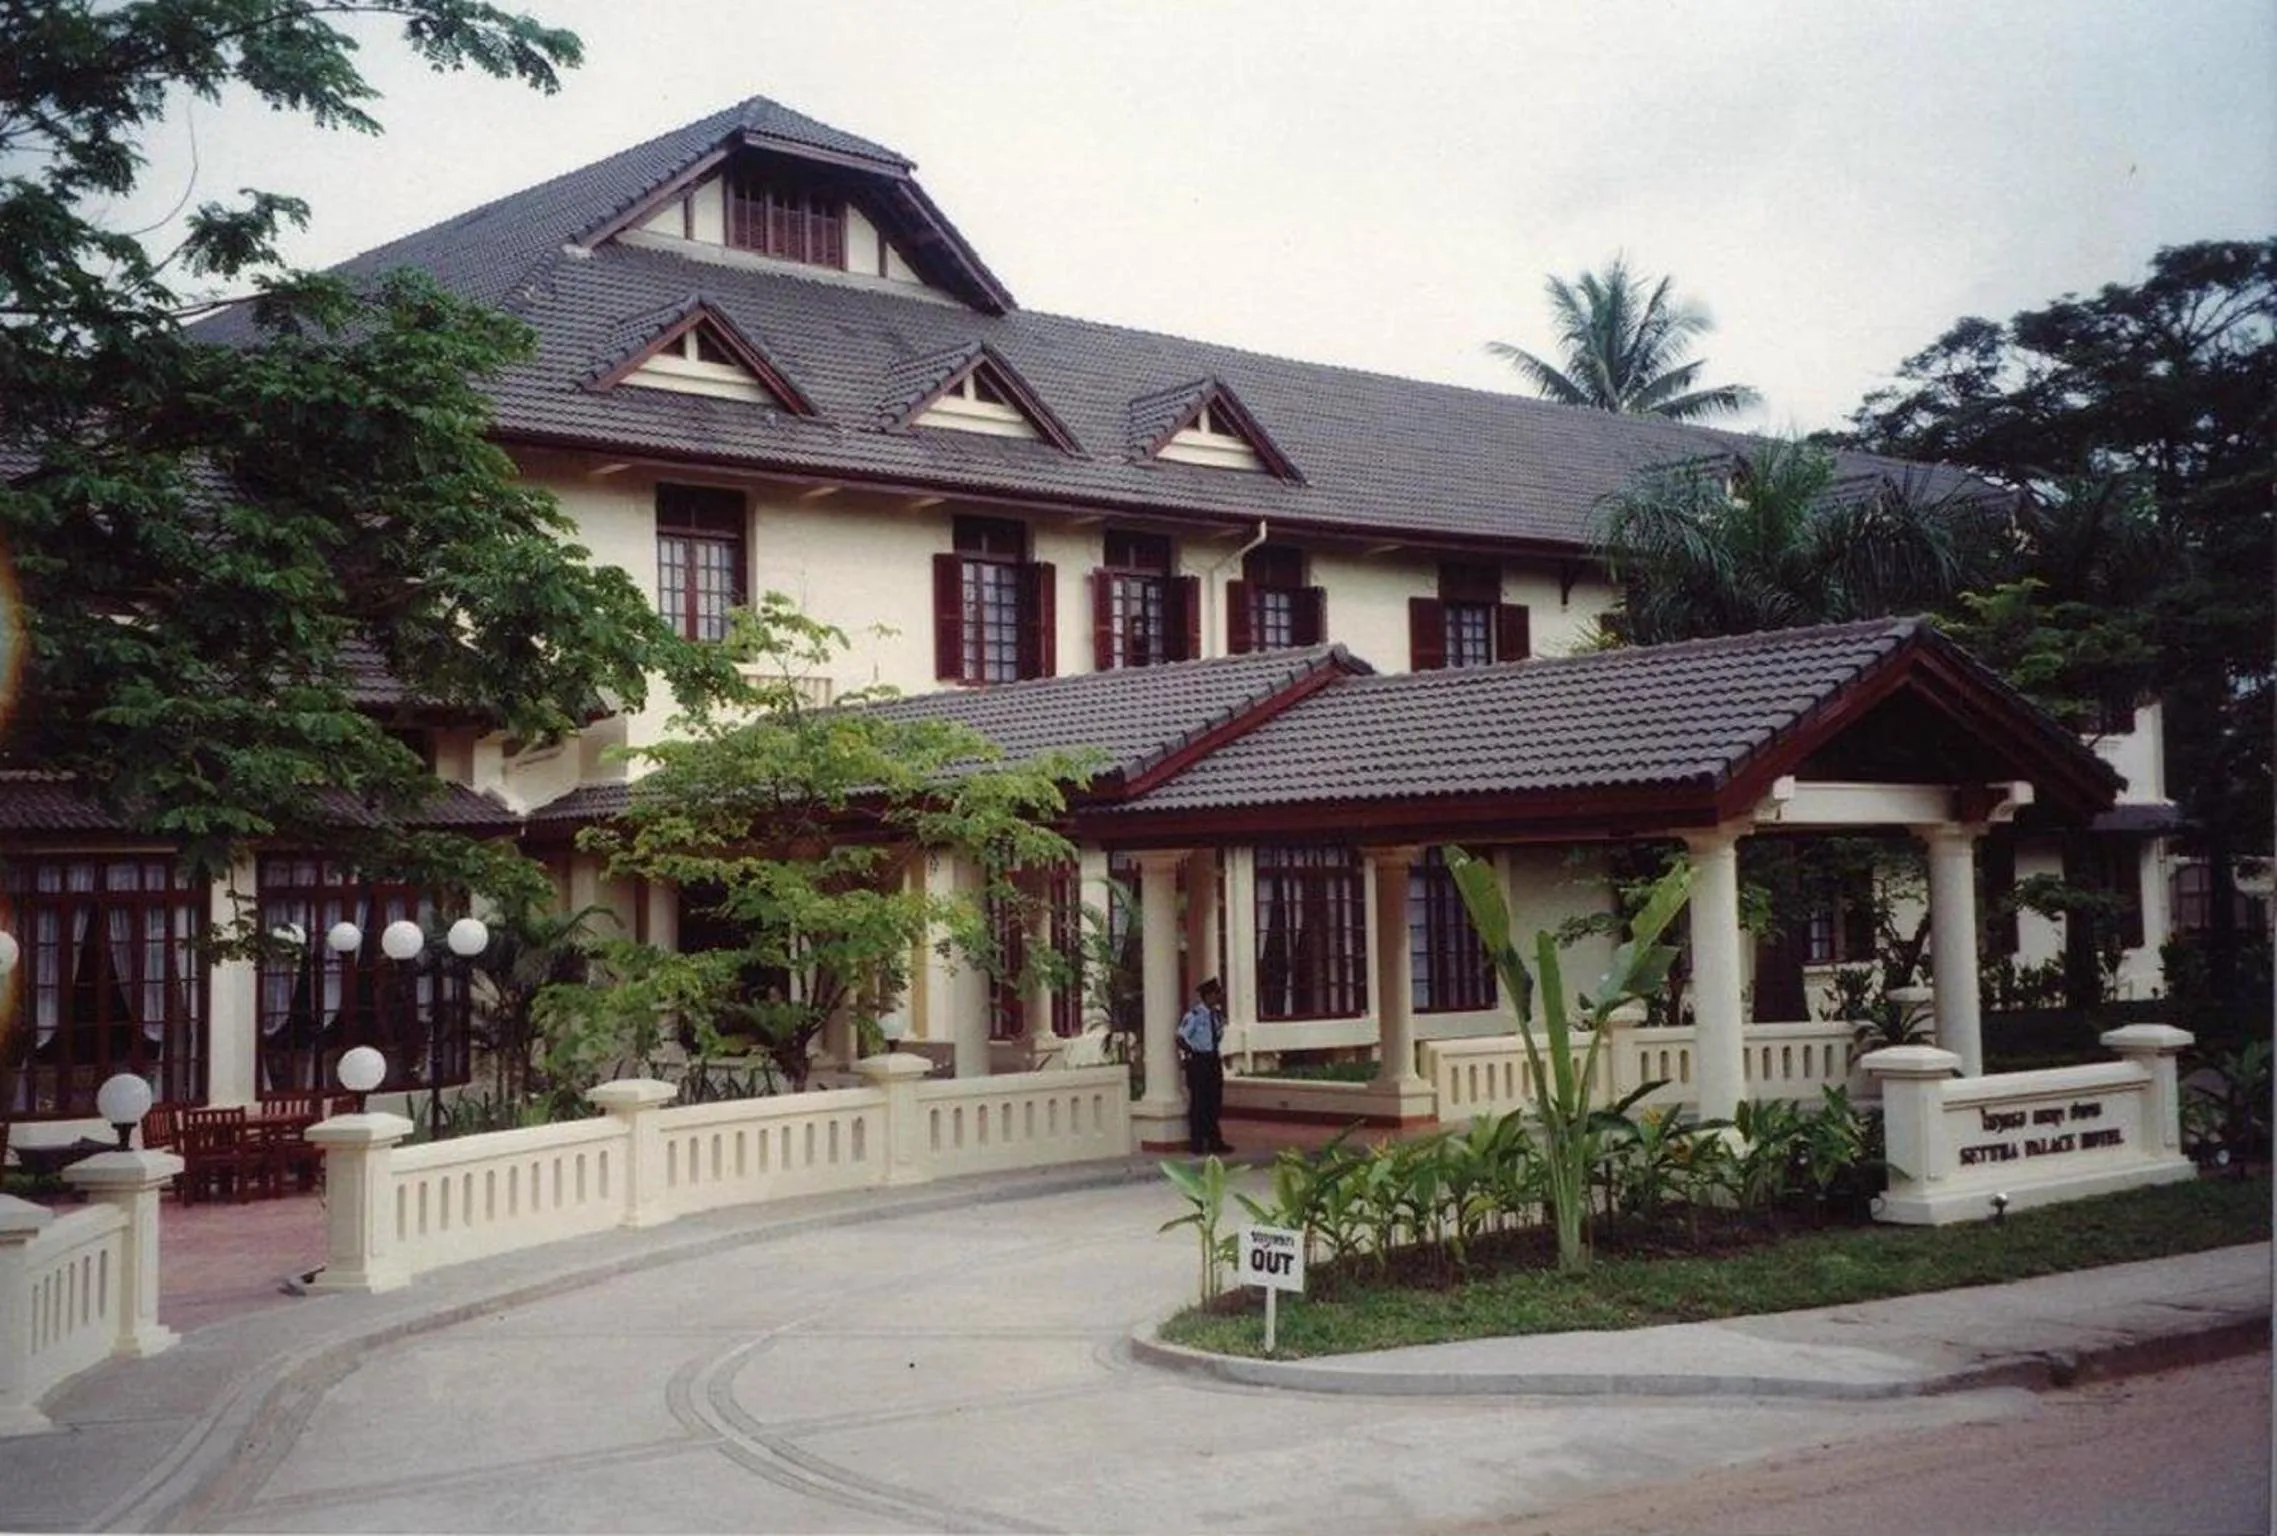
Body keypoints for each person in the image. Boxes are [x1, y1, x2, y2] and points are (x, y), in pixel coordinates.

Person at [1177, 976, 1233, 1156]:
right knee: (1199, 1103)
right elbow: (1180, 1037)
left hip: (1213, 1060)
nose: (1218, 997)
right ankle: (1197, 1143)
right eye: (1216, 994)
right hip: (1199, 1061)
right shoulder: (1194, 1015)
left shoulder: (1216, 1016)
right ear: (1207, 996)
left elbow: (1218, 1036)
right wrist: (1192, 1054)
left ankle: (1215, 1141)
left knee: (1214, 1102)